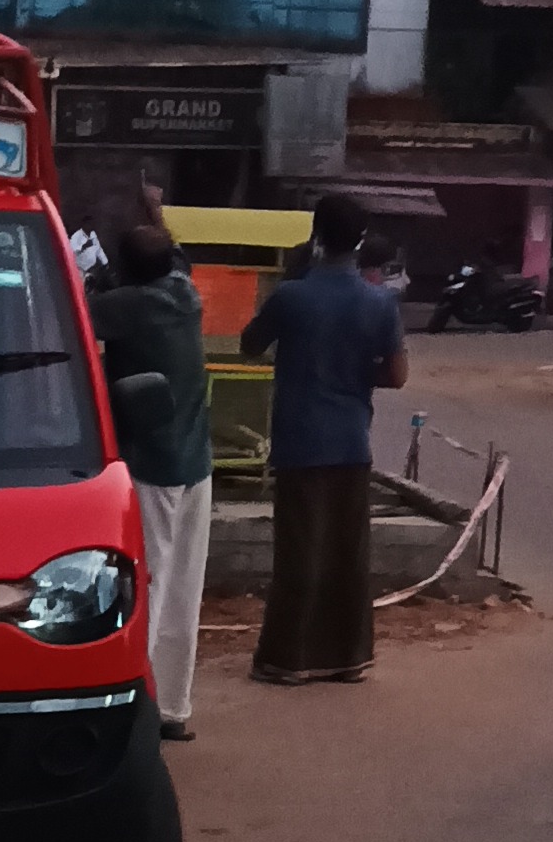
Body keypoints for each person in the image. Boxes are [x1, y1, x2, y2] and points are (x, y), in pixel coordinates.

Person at [239, 193, 407, 685]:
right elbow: (397, 375)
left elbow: (250, 346)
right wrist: (355, 372)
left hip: (299, 440)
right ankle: (348, 657)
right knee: (347, 551)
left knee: (298, 550)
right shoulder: (380, 302)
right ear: (360, 241)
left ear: (315, 237)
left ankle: (288, 660)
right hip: (352, 440)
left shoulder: (292, 296)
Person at [90, 224, 213, 742]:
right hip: (195, 462)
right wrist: (155, 216)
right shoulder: (185, 292)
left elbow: (74, 311)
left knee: (148, 586)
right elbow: (174, 256)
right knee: (184, 589)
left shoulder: (131, 305)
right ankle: (173, 707)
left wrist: (93, 278)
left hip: (151, 464)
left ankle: (136, 709)